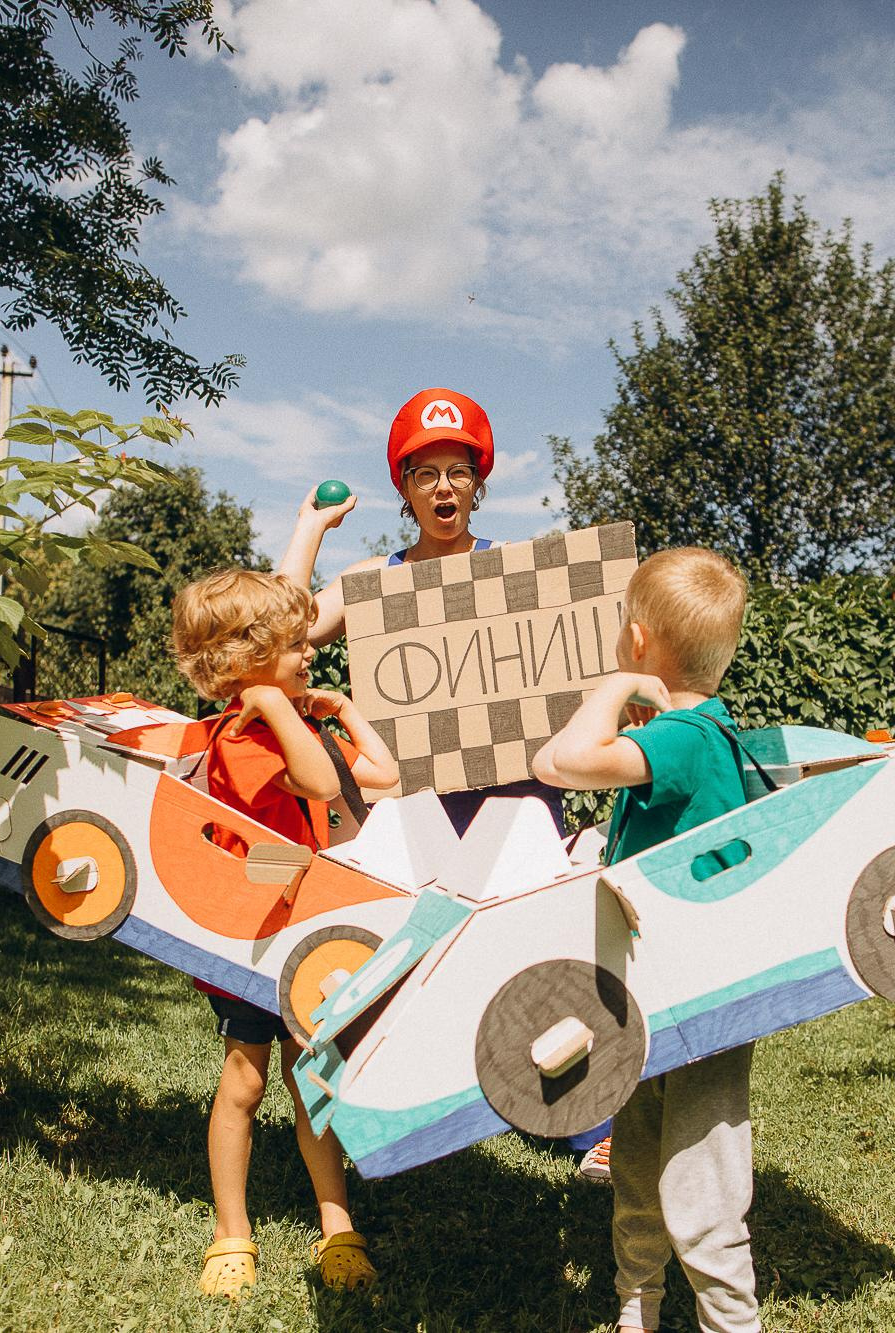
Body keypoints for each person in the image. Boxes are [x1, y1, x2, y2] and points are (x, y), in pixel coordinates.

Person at [279, 386, 613, 1173]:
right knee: (408, 960)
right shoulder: (378, 577)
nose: (442, 488)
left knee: (541, 951)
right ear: (404, 488)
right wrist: (310, 529)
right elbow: (285, 626)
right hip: (417, 810)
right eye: (425, 472)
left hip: (518, 803)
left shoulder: (515, 571)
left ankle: (584, 1123)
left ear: (478, 481)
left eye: (457, 470)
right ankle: (403, 1106)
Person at [530, 547, 763, 1333]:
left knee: (702, 1186)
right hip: (660, 993)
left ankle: (730, 1321)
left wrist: (613, 689)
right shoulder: (697, 733)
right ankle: (638, 1310)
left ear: (636, 638)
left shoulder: (685, 737)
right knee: (635, 1162)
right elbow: (548, 760)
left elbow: (565, 761)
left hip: (698, 1004)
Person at [168, 569, 401, 1300]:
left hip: (303, 933)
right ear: (245, 658)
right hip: (251, 940)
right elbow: (322, 785)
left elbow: (383, 777)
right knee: (244, 1079)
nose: (310, 655)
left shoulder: (294, 718)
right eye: (296, 646)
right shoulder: (242, 732)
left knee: (312, 1081)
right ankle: (231, 1230)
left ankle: (337, 1226)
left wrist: (342, 711)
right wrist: (271, 703)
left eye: (307, 642)